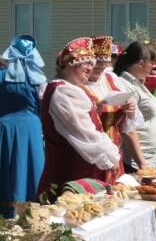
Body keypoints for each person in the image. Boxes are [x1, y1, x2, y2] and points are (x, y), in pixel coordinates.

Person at [37, 38, 121, 198]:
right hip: (71, 183)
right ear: (70, 64)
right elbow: (85, 135)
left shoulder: (69, 90)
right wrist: (111, 156)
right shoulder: (64, 93)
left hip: (78, 181)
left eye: (92, 63)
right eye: (86, 62)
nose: (91, 67)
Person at [0, 35, 46, 215]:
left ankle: (7, 213)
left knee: (8, 170)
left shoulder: (2, 76)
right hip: (31, 129)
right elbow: (45, 106)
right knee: (30, 170)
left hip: (5, 129)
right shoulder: (39, 80)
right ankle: (31, 213)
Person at [84, 36, 141, 180]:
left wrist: (130, 110)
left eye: (105, 61)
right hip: (88, 157)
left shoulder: (111, 80)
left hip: (115, 152)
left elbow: (129, 127)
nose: (101, 66)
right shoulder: (77, 85)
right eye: (97, 61)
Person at [114, 41, 156, 172]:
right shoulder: (126, 84)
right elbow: (128, 127)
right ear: (141, 63)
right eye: (151, 62)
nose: (153, 67)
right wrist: (142, 164)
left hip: (150, 158)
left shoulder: (137, 84)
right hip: (137, 162)